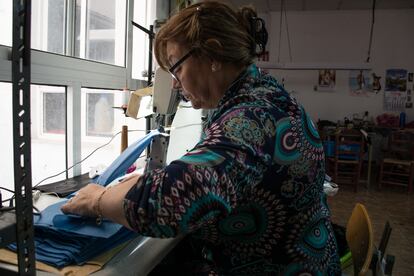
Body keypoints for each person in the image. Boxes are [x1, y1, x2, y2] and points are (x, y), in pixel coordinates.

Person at [61, 1, 341, 275]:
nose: (174, 82)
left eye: (176, 67)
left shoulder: (251, 119)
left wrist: (98, 199)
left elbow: (165, 204)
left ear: (214, 56)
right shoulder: (265, 94)